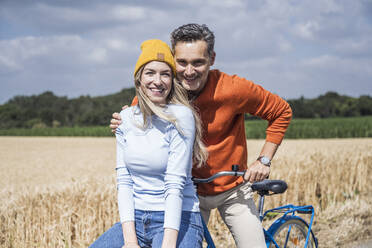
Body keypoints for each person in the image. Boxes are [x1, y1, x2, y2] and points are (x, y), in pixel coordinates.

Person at [110, 24, 292, 248]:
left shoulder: (234, 89)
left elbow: (281, 111)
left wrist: (264, 159)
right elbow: (137, 121)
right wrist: (123, 121)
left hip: (232, 188)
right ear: (172, 59)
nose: (189, 71)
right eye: (182, 62)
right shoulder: (161, 91)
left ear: (212, 58)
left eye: (198, 62)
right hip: (189, 193)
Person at [90, 39, 207, 248]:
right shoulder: (125, 118)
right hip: (136, 220)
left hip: (179, 217)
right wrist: (130, 242)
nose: (158, 81)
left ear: (172, 80)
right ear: (139, 79)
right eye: (150, 73)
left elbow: (175, 184)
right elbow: (124, 181)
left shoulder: (181, 116)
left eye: (165, 74)